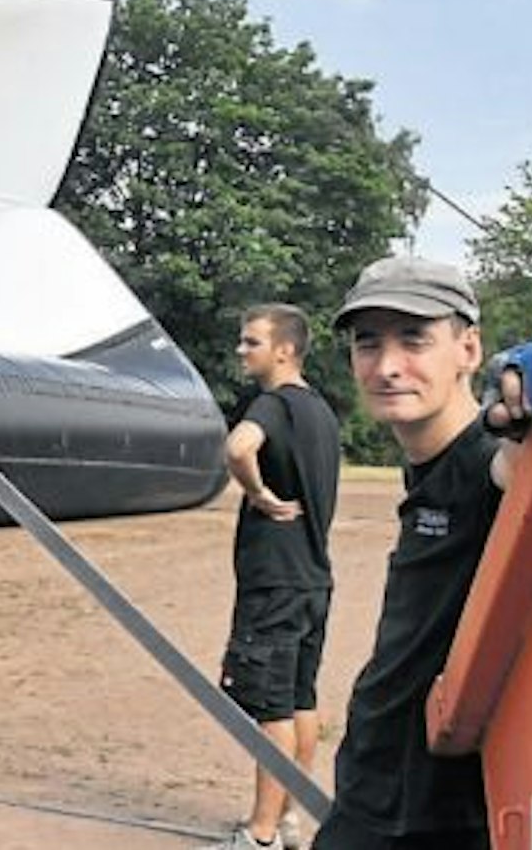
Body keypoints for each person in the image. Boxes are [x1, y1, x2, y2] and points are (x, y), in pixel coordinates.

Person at [312, 255, 526, 850]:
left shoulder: (491, 457)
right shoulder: (428, 471)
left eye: (414, 339)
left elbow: (520, 467)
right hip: (377, 788)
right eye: (367, 342)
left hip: (428, 815)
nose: (386, 366)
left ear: (468, 349)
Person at [208, 304, 342, 850]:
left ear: (284, 349)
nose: (242, 352)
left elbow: (237, 448)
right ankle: (288, 820)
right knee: (300, 700)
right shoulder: (322, 413)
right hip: (312, 579)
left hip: (275, 581)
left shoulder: (273, 404)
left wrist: (258, 494)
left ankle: (260, 835)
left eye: (251, 342)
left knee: (270, 708)